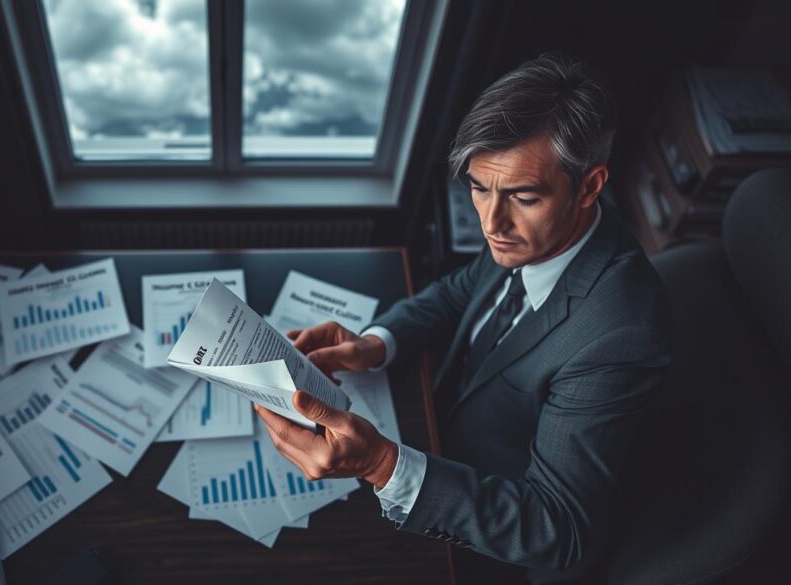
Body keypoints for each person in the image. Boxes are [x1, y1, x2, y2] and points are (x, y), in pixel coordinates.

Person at [255, 55, 672, 584]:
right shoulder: (536, 232)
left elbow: (558, 530)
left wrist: (380, 465)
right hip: (440, 430)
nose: (491, 223)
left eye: (524, 197)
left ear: (589, 187)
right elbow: (460, 292)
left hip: (495, 527)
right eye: (478, 187)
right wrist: (378, 343)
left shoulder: (621, 335)